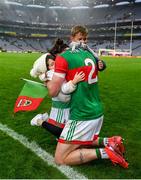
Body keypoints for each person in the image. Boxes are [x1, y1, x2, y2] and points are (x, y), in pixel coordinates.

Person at [46, 25, 128, 168]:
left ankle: (107, 152)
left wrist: (46, 77)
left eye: (85, 39)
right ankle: (111, 141)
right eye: (81, 39)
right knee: (78, 141)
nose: (83, 42)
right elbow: (101, 65)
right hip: (96, 109)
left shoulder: (64, 58)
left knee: (60, 159)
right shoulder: (90, 55)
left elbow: (52, 92)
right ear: (73, 38)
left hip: (82, 113)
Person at [30, 38, 85, 138]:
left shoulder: (55, 71)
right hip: (61, 106)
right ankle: (39, 121)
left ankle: (47, 119)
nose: (55, 64)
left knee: (71, 132)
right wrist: (74, 82)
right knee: (63, 135)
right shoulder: (52, 74)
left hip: (67, 105)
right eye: (51, 64)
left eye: (54, 62)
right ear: (46, 68)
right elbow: (64, 89)